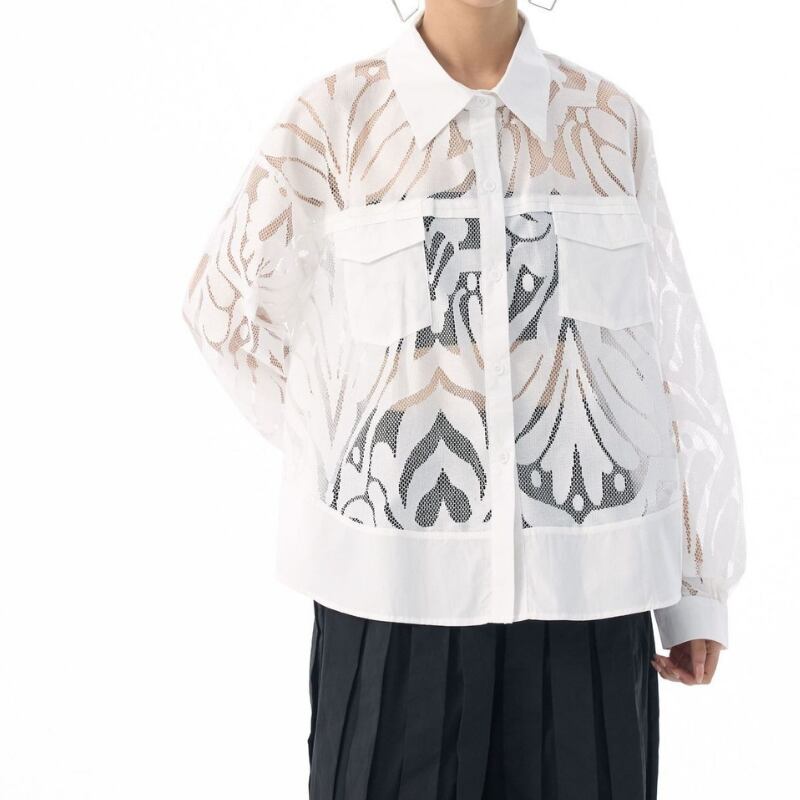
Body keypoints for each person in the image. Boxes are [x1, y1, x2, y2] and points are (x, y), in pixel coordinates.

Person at [181, 0, 746, 796]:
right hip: (390, 613)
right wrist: (356, 469)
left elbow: (663, 365)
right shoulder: (334, 124)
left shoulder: (608, 126)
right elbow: (226, 314)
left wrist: (694, 591)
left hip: (590, 608)